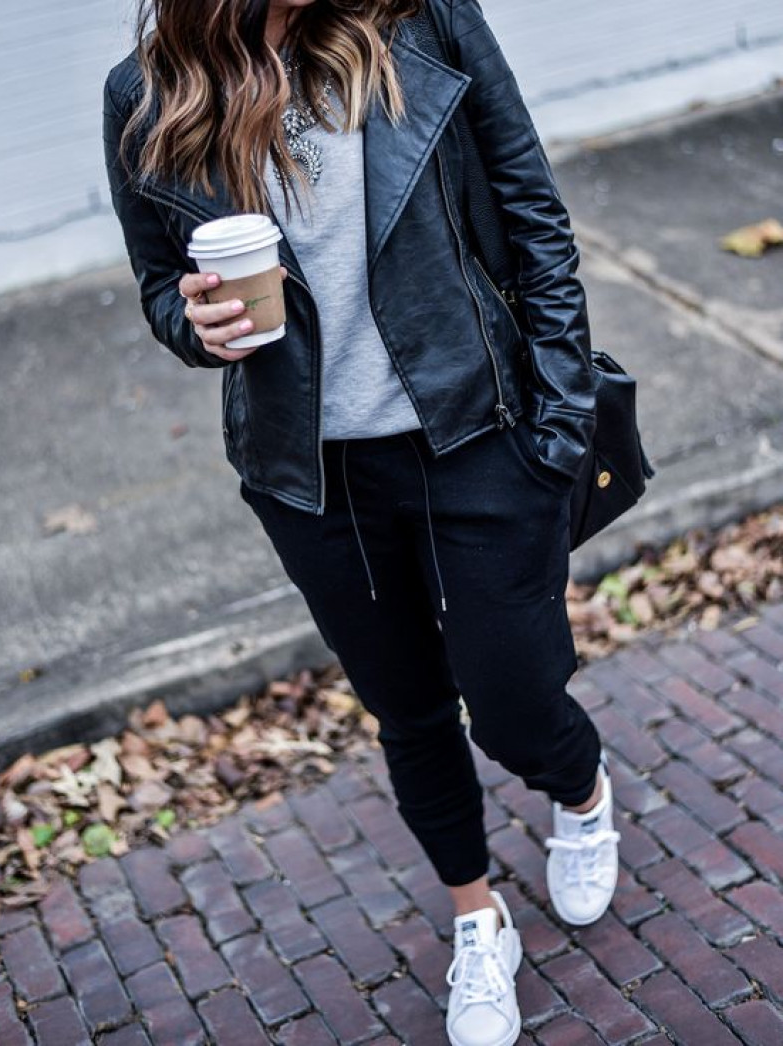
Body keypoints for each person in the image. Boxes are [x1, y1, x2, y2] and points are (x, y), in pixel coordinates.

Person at [103, 1, 621, 1042]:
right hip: (310, 472)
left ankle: (580, 788)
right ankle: (476, 915)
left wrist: (557, 422)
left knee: (514, 697)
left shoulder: (422, 22)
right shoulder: (147, 92)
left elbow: (531, 213)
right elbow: (163, 284)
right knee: (409, 706)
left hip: (476, 430)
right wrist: (195, 326)